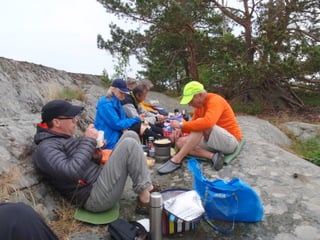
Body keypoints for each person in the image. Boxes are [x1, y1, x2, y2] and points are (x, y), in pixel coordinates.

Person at [33, 99, 157, 215]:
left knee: (130, 135)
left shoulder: (63, 138)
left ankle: (147, 187)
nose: (75, 121)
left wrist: (95, 157)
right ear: (56, 122)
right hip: (93, 198)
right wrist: (88, 141)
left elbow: (81, 164)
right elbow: (70, 172)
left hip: (98, 181)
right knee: (128, 145)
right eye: (71, 118)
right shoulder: (45, 148)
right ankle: (145, 200)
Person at [157, 81, 242, 175]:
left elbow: (207, 123)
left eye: (190, 100)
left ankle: (177, 160)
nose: (189, 104)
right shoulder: (199, 107)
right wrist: (180, 130)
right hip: (212, 142)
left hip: (230, 142)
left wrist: (181, 125)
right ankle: (213, 156)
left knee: (201, 123)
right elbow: (192, 125)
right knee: (180, 142)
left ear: (200, 95)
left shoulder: (215, 100)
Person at [94, 78, 161, 149]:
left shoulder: (116, 101)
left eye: (124, 93)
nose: (123, 95)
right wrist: (136, 119)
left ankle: (160, 141)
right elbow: (117, 124)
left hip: (117, 133)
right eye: (121, 92)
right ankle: (161, 141)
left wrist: (125, 128)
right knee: (138, 126)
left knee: (138, 126)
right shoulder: (106, 104)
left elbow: (123, 119)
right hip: (109, 139)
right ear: (113, 90)